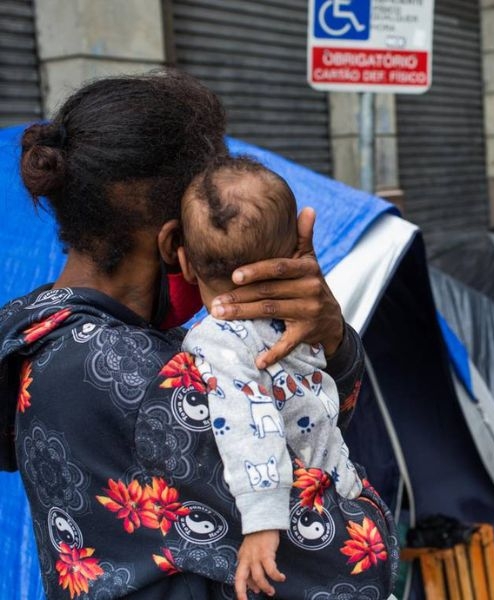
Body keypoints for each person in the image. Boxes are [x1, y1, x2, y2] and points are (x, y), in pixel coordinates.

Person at [0, 70, 396, 599]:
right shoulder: (143, 380)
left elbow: (284, 429)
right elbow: (356, 565)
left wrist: (326, 337)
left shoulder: (38, 331)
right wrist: (368, 503)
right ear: (173, 246)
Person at [177, 155, 394, 599]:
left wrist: (261, 523)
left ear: (183, 262)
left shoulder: (215, 340)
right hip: (346, 484)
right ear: (293, 253)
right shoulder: (300, 319)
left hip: (307, 508)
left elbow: (246, 422)